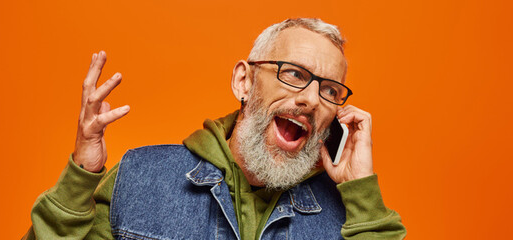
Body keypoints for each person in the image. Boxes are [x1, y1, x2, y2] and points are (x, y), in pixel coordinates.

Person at [23, 18, 406, 240]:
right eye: (294, 74)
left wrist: (362, 194)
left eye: (330, 90)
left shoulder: (347, 220)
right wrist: (80, 177)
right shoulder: (139, 179)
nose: (311, 99)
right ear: (244, 81)